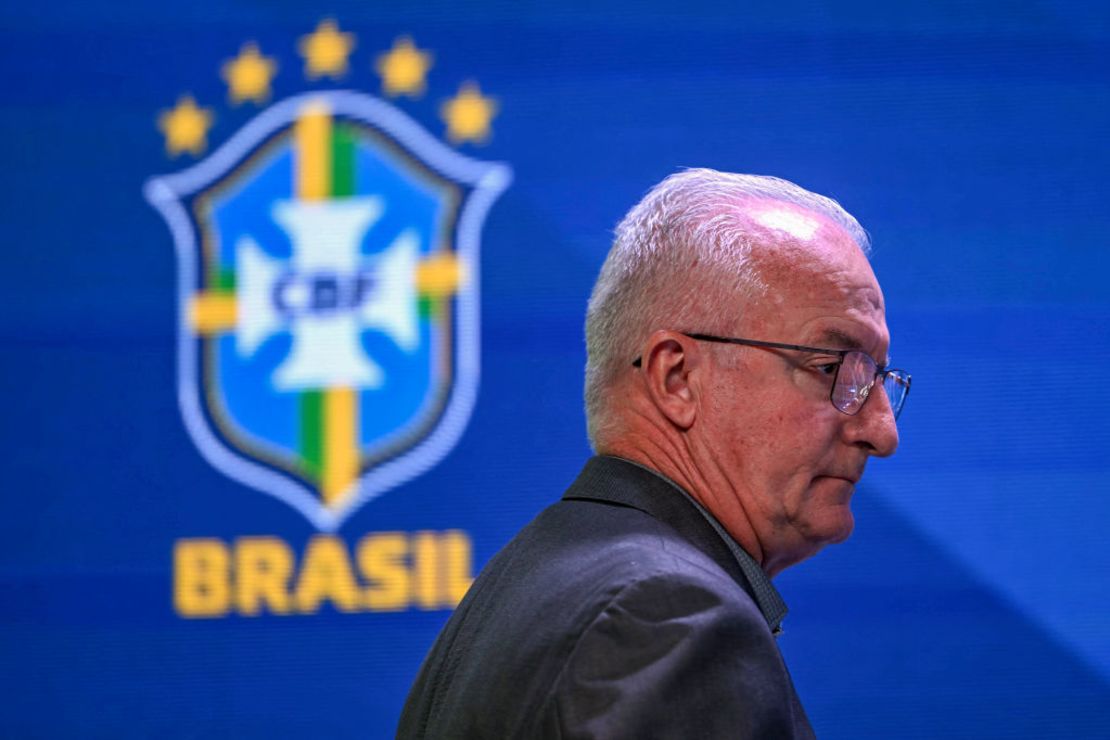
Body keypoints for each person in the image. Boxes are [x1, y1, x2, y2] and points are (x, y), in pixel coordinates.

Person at [397, 169, 910, 738]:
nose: (881, 430)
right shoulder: (667, 617)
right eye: (833, 369)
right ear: (676, 378)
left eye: (877, 378)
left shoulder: (523, 591)